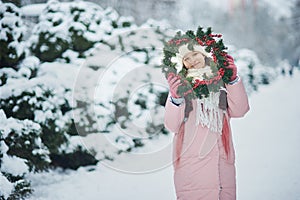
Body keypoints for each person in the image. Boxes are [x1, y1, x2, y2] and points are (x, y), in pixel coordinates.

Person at [163, 35, 250, 200]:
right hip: (192, 167)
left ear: (203, 53)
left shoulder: (221, 83)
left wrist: (232, 81)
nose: (193, 60)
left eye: (194, 54)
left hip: (222, 165)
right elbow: (172, 125)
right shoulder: (180, 86)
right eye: (186, 58)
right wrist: (176, 99)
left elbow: (240, 110)